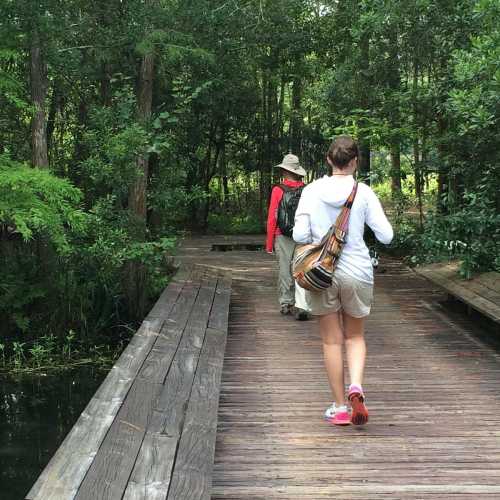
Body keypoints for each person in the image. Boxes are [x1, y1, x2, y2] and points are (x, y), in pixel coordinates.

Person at [293, 136, 393, 425]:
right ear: (355, 162)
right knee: (355, 336)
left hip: (321, 273)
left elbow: (300, 235)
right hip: (358, 272)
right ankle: (357, 387)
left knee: (331, 341)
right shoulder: (363, 192)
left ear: (328, 160)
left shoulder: (311, 191)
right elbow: (386, 236)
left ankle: (338, 408)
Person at [266, 153, 310, 320]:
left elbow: (272, 218)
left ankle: (286, 303)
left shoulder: (278, 190)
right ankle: (301, 305)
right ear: (298, 171)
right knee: (301, 269)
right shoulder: (306, 189)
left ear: (284, 171)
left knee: (285, 270)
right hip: (303, 234)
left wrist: (269, 243)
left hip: (282, 235)